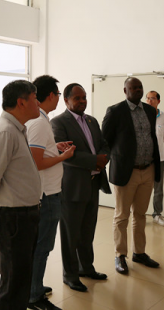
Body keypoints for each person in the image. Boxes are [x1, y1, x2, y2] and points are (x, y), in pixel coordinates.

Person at [0, 80, 43, 309]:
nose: (38, 103)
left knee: (20, 280)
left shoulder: (16, 128)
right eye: (35, 98)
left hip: (23, 216)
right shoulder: (5, 131)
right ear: (21, 102)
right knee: (13, 282)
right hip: (11, 218)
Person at [51, 83, 111, 292]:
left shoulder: (92, 121)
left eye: (84, 97)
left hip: (93, 184)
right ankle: (70, 275)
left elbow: (104, 144)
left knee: (87, 230)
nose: (82, 101)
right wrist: (95, 160)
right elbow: (66, 154)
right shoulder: (59, 122)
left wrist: (103, 158)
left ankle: (86, 268)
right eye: (77, 98)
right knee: (71, 234)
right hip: (72, 186)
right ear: (66, 100)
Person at [26, 76, 76, 310]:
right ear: (49, 95)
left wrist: (54, 148)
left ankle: (34, 285)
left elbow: (39, 152)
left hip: (48, 191)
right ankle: (33, 295)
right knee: (42, 246)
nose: (58, 97)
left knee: (41, 245)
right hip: (46, 194)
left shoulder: (41, 119)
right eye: (57, 94)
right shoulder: (39, 122)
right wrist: (63, 157)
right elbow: (35, 162)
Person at [102, 77, 161, 275]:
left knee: (141, 214)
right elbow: (105, 141)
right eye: (133, 87)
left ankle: (139, 253)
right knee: (122, 216)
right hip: (126, 172)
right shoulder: (115, 111)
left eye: (139, 87)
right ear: (125, 90)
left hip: (148, 169)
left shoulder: (150, 110)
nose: (137, 90)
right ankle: (120, 255)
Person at [145, 90, 164, 227]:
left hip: (159, 158)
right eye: (148, 98)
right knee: (141, 188)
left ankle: (157, 214)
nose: (150, 101)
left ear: (158, 101)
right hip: (144, 159)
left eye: (153, 98)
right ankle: (139, 215)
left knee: (158, 188)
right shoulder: (141, 116)